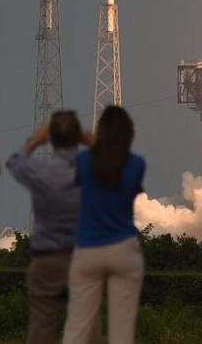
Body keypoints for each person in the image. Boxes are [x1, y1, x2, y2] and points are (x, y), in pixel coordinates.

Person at [6, 110, 98, 344]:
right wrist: (93, 141)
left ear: (51, 138)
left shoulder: (40, 167)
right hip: (84, 261)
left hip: (47, 261)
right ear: (78, 137)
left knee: (42, 329)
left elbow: (14, 163)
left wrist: (35, 140)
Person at [62, 106, 146, 344]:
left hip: (88, 250)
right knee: (122, 333)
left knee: (77, 328)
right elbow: (114, 162)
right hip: (124, 250)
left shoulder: (83, 161)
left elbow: (94, 162)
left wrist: (93, 141)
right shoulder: (137, 164)